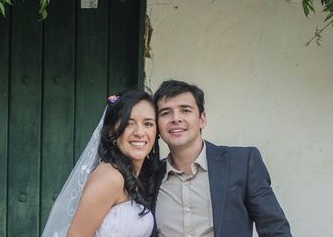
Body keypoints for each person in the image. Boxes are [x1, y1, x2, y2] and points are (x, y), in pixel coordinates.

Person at [153, 80, 291, 237]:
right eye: (165, 113)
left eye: (185, 110)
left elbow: (275, 229)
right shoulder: (150, 175)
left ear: (202, 119)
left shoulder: (242, 163)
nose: (175, 118)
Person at [41, 89, 160, 237]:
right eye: (128, 123)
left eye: (148, 124)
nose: (139, 132)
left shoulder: (132, 176)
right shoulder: (111, 177)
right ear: (111, 132)